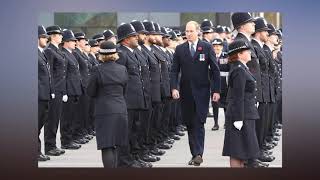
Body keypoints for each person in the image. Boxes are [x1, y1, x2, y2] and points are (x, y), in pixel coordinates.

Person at [170, 21, 221, 166]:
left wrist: (216, 90)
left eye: (191, 31)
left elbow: (215, 70)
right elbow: (174, 70)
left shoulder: (206, 47)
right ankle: (195, 153)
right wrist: (174, 88)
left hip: (202, 92)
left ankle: (199, 153)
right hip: (185, 93)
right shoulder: (180, 49)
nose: (188, 34)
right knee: (190, 124)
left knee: (199, 122)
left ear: (198, 32)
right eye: (186, 31)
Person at [87, 41, 129, 168]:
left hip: (104, 111)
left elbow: (90, 91)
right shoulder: (122, 69)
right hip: (121, 109)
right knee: (116, 144)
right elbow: (125, 89)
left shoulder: (97, 69)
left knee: (107, 146)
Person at [222, 39, 260, 168]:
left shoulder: (242, 67)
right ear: (239, 54)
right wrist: (238, 119)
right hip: (240, 115)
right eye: (247, 51)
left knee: (244, 151)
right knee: (237, 152)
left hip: (246, 113)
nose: (250, 53)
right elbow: (238, 96)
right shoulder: (239, 70)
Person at [44, 25, 66, 156]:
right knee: (51, 119)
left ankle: (53, 145)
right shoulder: (49, 51)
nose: (61, 36)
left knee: (56, 118)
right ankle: (49, 146)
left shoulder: (57, 50)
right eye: (59, 34)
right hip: (54, 89)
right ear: (52, 36)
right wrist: (52, 90)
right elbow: (50, 72)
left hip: (60, 89)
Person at [38, 25, 54, 161]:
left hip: (44, 95)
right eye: (43, 37)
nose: (46, 40)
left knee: (39, 125)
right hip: (38, 96)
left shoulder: (41, 53)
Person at [211, 38, 230, 131]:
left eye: (218, 46)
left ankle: (226, 122)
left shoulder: (226, 56)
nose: (216, 48)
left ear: (222, 47)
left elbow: (230, 69)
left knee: (226, 104)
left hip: (225, 83)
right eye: (214, 46)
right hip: (214, 84)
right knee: (215, 104)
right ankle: (216, 123)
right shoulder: (210, 56)